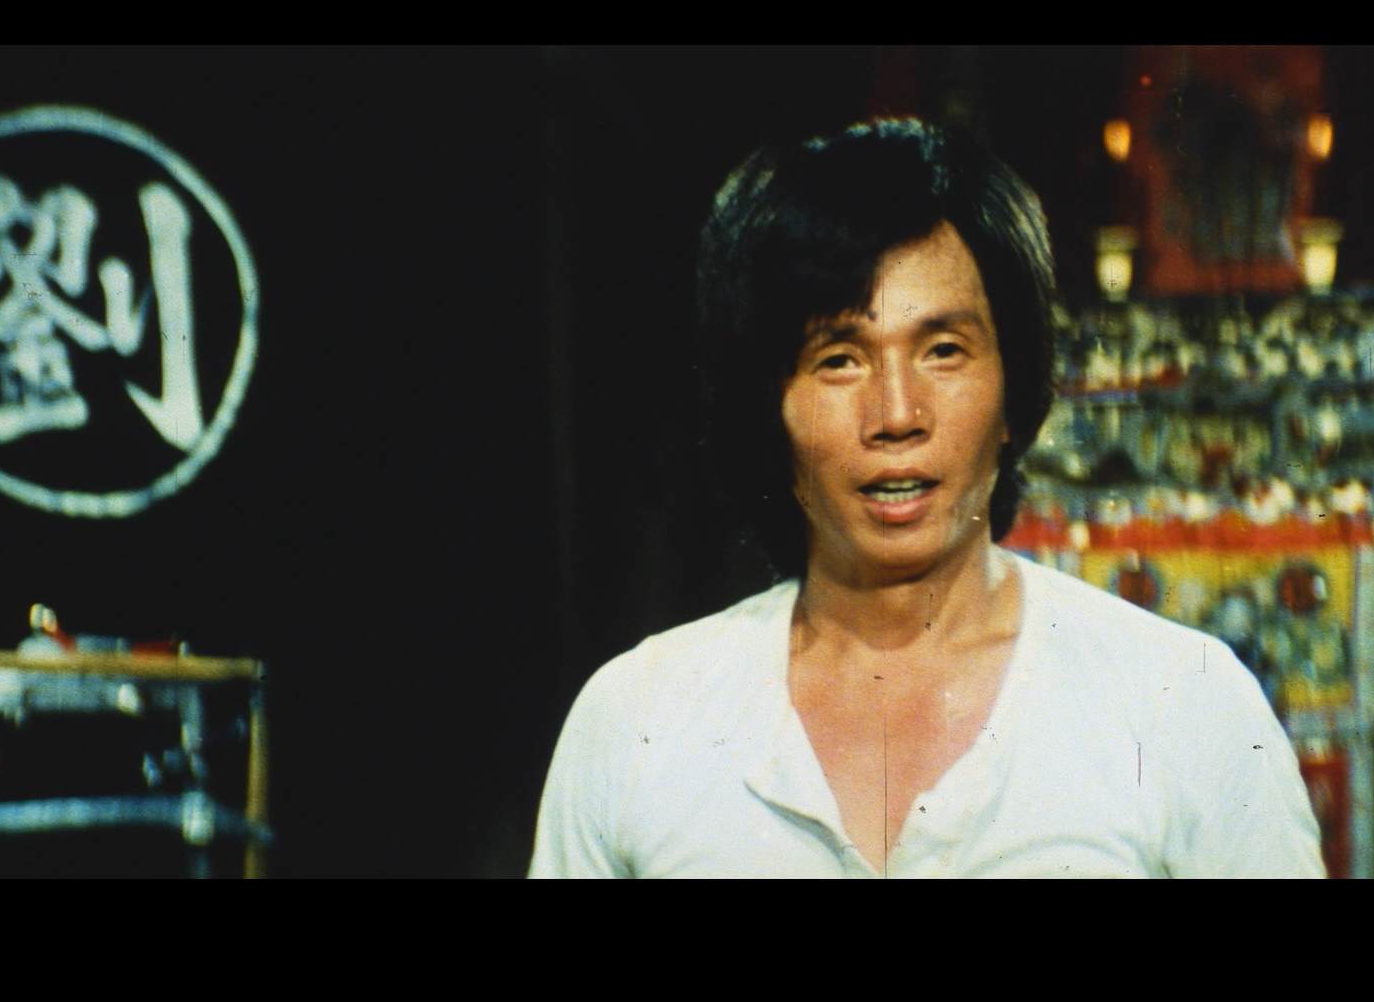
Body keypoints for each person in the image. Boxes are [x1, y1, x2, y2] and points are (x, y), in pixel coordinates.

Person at [530, 118, 1324, 878]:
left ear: (1014, 392)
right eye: (839, 359)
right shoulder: (639, 720)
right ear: (767, 408)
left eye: (943, 350)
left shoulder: (1180, 703)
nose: (897, 415)